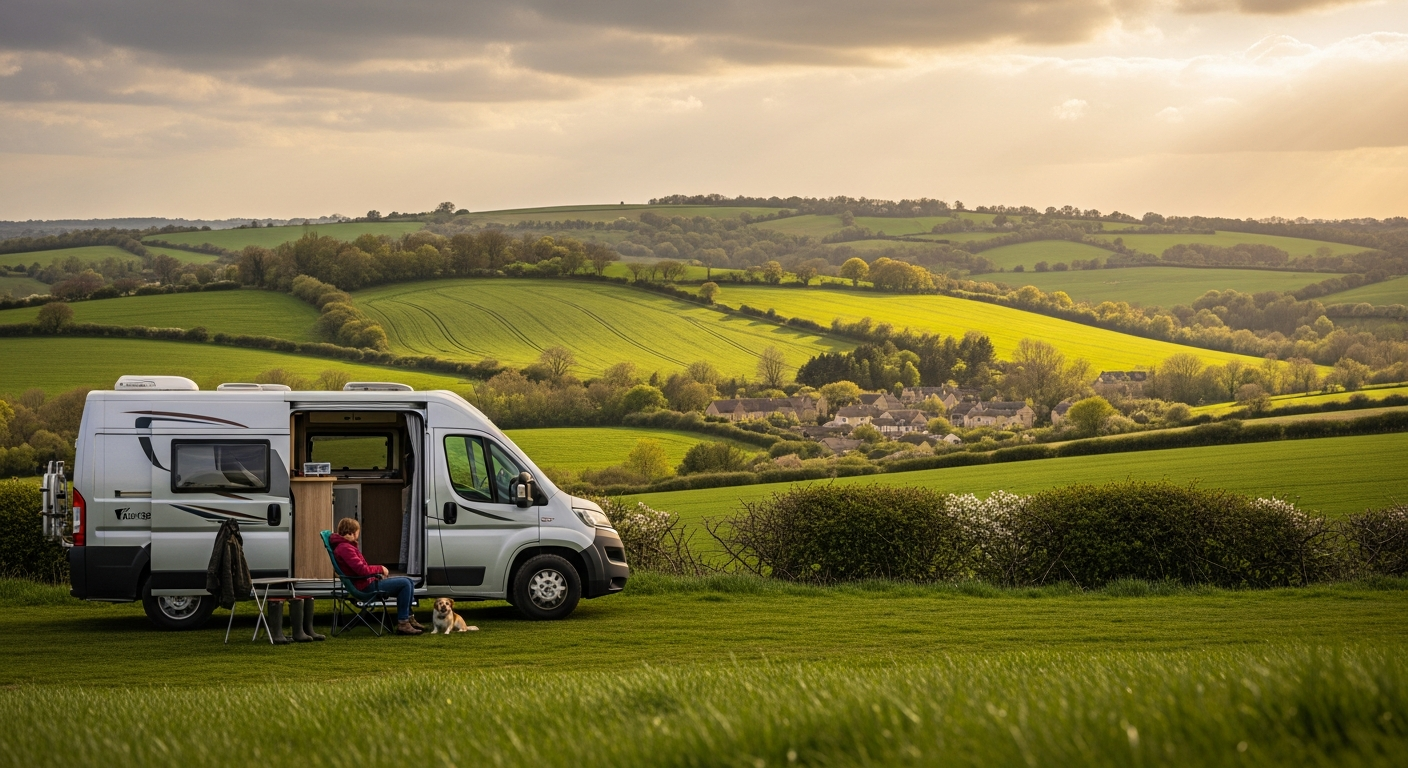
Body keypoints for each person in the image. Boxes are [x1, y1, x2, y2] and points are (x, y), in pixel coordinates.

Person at [330, 518, 423, 635]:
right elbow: (361, 570)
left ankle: (408, 619)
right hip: (365, 587)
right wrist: (380, 568)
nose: (358, 535)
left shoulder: (345, 546)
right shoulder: (345, 548)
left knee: (408, 582)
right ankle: (403, 623)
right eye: (357, 532)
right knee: (405, 583)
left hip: (365, 583)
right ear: (351, 533)